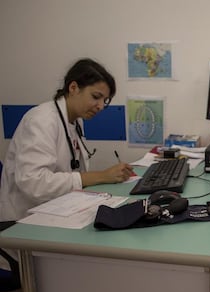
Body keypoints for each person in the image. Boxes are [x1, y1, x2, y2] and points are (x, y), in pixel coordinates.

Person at [0, 58, 135, 222]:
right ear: (73, 88)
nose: (100, 106)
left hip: (60, 208)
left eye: (104, 101)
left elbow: (71, 169)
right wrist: (100, 176)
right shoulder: (41, 120)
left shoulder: (76, 121)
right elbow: (33, 182)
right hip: (24, 220)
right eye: (96, 97)